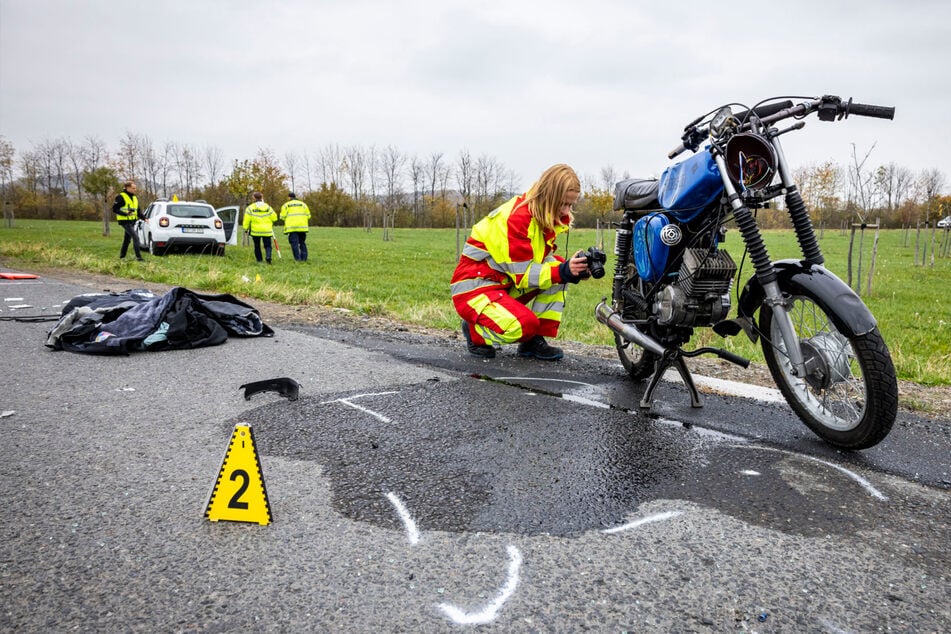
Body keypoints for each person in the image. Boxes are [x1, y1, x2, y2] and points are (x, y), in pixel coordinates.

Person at [450, 163, 593, 360]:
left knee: (558, 267)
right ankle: (476, 332)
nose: (567, 211)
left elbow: (540, 262)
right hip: (473, 289)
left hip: (501, 281)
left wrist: (572, 269)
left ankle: (532, 342)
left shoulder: (539, 215)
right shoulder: (518, 219)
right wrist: (563, 271)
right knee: (524, 325)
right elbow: (524, 275)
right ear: (550, 197)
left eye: (571, 205)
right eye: (564, 204)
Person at [242, 191, 278, 264]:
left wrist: (245, 228)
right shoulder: (267, 207)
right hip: (266, 230)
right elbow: (274, 218)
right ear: (262, 197)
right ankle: (268, 257)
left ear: (254, 198)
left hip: (255, 231)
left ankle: (259, 260)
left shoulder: (250, 208)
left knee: (257, 246)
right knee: (268, 246)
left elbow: (246, 220)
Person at [113, 180, 144, 261]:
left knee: (127, 240)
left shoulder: (134, 197)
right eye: (133, 188)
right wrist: (125, 213)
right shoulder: (120, 197)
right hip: (124, 221)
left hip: (132, 221)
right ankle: (139, 258)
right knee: (136, 237)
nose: (135, 190)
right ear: (127, 188)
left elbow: (138, 211)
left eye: (135, 188)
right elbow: (115, 209)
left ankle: (122, 257)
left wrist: (145, 218)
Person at [280, 192, 312, 262]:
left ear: (289, 197)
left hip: (292, 227)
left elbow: (282, 217)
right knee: (302, 243)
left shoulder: (286, 205)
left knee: (294, 244)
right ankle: (304, 258)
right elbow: (309, 216)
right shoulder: (303, 204)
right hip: (302, 227)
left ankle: (297, 259)